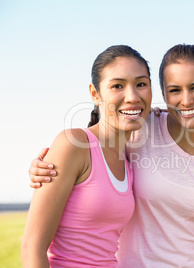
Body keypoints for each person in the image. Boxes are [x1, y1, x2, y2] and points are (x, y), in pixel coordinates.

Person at [28, 44, 194, 267]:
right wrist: (49, 164)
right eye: (175, 90)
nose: (186, 100)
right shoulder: (128, 134)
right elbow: (32, 247)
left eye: (140, 84)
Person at [21, 45, 152, 267]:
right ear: (95, 93)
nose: (132, 96)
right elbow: (32, 247)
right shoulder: (74, 144)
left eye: (141, 84)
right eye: (117, 86)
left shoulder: (128, 159)